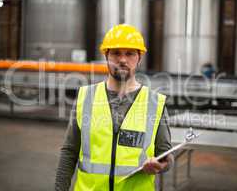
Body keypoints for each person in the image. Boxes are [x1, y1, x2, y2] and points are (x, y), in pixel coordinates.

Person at [55, 24, 173, 191]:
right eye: (116, 53)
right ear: (106, 56)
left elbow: (166, 156)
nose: (123, 59)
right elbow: (69, 152)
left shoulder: (155, 103)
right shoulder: (86, 97)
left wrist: (160, 165)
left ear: (139, 58)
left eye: (130, 53)